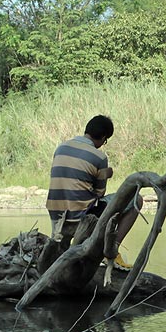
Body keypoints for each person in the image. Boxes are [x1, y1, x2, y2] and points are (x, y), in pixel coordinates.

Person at [46, 114, 143, 269]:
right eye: (105, 141)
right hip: (81, 217)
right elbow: (100, 194)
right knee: (137, 199)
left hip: (56, 216)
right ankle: (112, 250)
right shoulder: (99, 156)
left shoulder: (61, 148)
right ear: (104, 137)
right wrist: (105, 175)